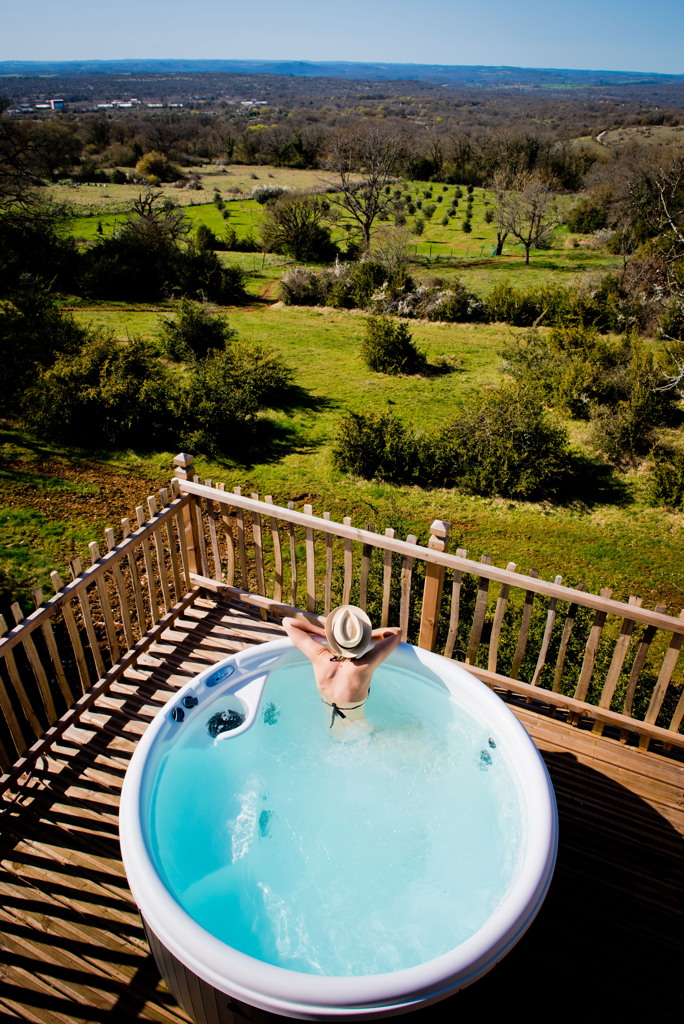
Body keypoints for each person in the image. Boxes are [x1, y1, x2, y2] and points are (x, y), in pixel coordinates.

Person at [282, 605, 402, 731]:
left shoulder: (319, 658)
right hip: (359, 731)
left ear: (333, 637)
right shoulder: (363, 667)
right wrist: (362, 637)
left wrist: (324, 633)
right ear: (361, 641)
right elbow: (396, 633)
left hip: (331, 729)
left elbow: (288, 622)